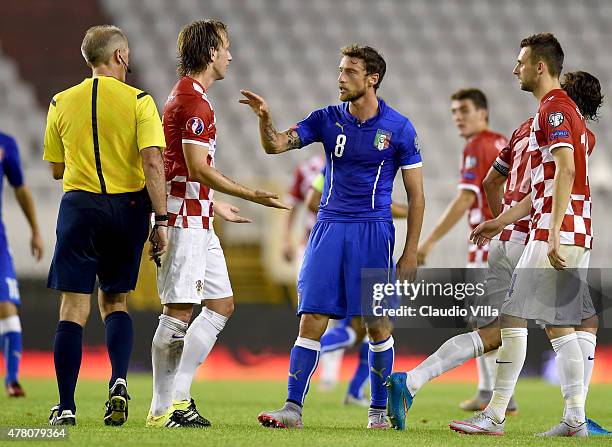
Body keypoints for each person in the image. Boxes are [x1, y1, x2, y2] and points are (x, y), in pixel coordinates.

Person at [387, 69, 608, 435]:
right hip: (532, 233)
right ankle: (431, 387)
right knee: (521, 327)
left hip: (516, 233)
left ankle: (571, 415)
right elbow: (553, 182)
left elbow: (493, 182)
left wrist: (501, 223)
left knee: (573, 320)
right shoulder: (579, 134)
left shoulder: (526, 127)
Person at [241, 44, 425, 429]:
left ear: (372, 79)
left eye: (350, 72)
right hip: (327, 228)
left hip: (374, 232)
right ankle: (292, 409)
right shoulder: (326, 119)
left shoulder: (399, 128)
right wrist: (264, 119)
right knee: (311, 318)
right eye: (340, 70)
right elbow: (275, 144)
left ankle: (377, 411)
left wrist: (409, 254)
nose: (340, 78)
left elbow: (417, 197)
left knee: (376, 324)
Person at [448, 33, 598, 437]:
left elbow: (565, 170)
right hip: (575, 227)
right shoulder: (565, 114)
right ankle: (574, 420)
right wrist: (501, 221)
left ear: (540, 67)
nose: (515, 69)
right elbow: (544, 186)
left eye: (520, 62)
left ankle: (495, 415)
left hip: (558, 229)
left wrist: (550, 233)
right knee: (561, 324)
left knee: (514, 315)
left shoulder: (554, 110)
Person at [147, 19, 289, 429]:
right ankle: (163, 408)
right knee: (177, 313)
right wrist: (251, 194)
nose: (230, 55)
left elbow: (185, 169)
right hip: (182, 222)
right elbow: (195, 167)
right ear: (211, 53)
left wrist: (216, 205)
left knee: (222, 304)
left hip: (199, 217)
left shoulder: (191, 98)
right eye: (225, 47)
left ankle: (178, 398)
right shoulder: (193, 103)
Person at [43, 25, 168, 426]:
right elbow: (152, 162)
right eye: (127, 53)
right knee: (115, 302)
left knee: (72, 307)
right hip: (127, 207)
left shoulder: (61, 102)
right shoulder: (140, 101)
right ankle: (117, 381)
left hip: (79, 206)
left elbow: (56, 168)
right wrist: (161, 219)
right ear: (120, 57)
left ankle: (65, 406)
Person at [416, 89, 509, 410]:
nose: (458, 116)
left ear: (482, 112)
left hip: (486, 246)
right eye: (454, 111)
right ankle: (492, 392)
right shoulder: (503, 143)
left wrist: (428, 242)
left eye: (464, 110)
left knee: (487, 326)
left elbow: (466, 199)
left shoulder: (476, 146)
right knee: (488, 323)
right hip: (507, 243)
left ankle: (495, 394)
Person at [0, 132, 43, 397]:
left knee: (7, 306)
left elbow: (20, 187)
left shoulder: (6, 143)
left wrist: (35, 230)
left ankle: (12, 379)